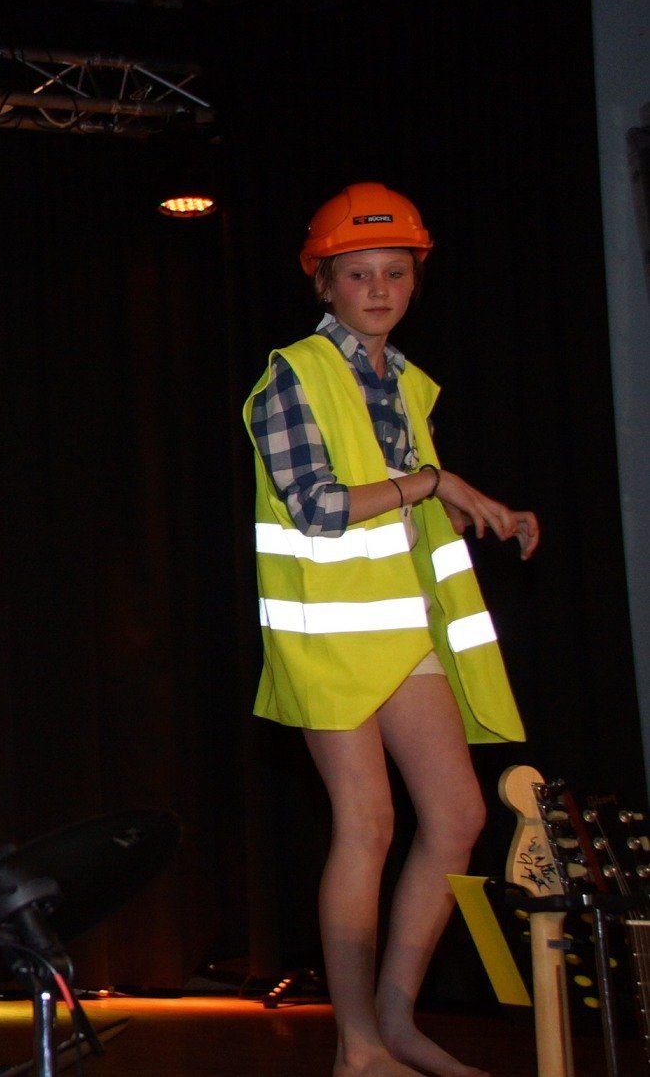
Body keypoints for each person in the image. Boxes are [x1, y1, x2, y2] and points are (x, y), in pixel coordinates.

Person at [245, 183, 538, 1077]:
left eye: (396, 272)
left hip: (404, 628)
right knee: (367, 821)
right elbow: (317, 506)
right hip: (329, 635)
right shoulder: (294, 373)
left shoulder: (405, 382)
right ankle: (358, 1045)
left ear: (416, 280)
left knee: (457, 814)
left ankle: (398, 1020)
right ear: (323, 282)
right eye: (358, 273)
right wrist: (436, 484)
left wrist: (476, 505)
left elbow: (406, 496)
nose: (379, 289)